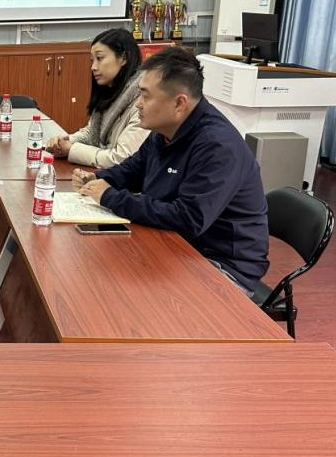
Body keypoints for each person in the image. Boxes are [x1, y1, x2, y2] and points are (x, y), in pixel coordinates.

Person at [74, 47, 269, 294]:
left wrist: (109, 196)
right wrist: (97, 179)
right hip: (175, 245)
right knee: (101, 271)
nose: (138, 104)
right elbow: (134, 169)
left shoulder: (217, 146)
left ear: (179, 103)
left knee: (125, 291)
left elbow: (188, 219)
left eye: (145, 96)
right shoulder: (166, 130)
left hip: (221, 265)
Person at [45, 28, 149, 169]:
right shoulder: (111, 92)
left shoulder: (143, 102)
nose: (93, 67)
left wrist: (71, 150)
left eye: (100, 58)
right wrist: (64, 141)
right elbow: (92, 133)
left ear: (124, 58)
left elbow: (122, 158)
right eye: (92, 60)